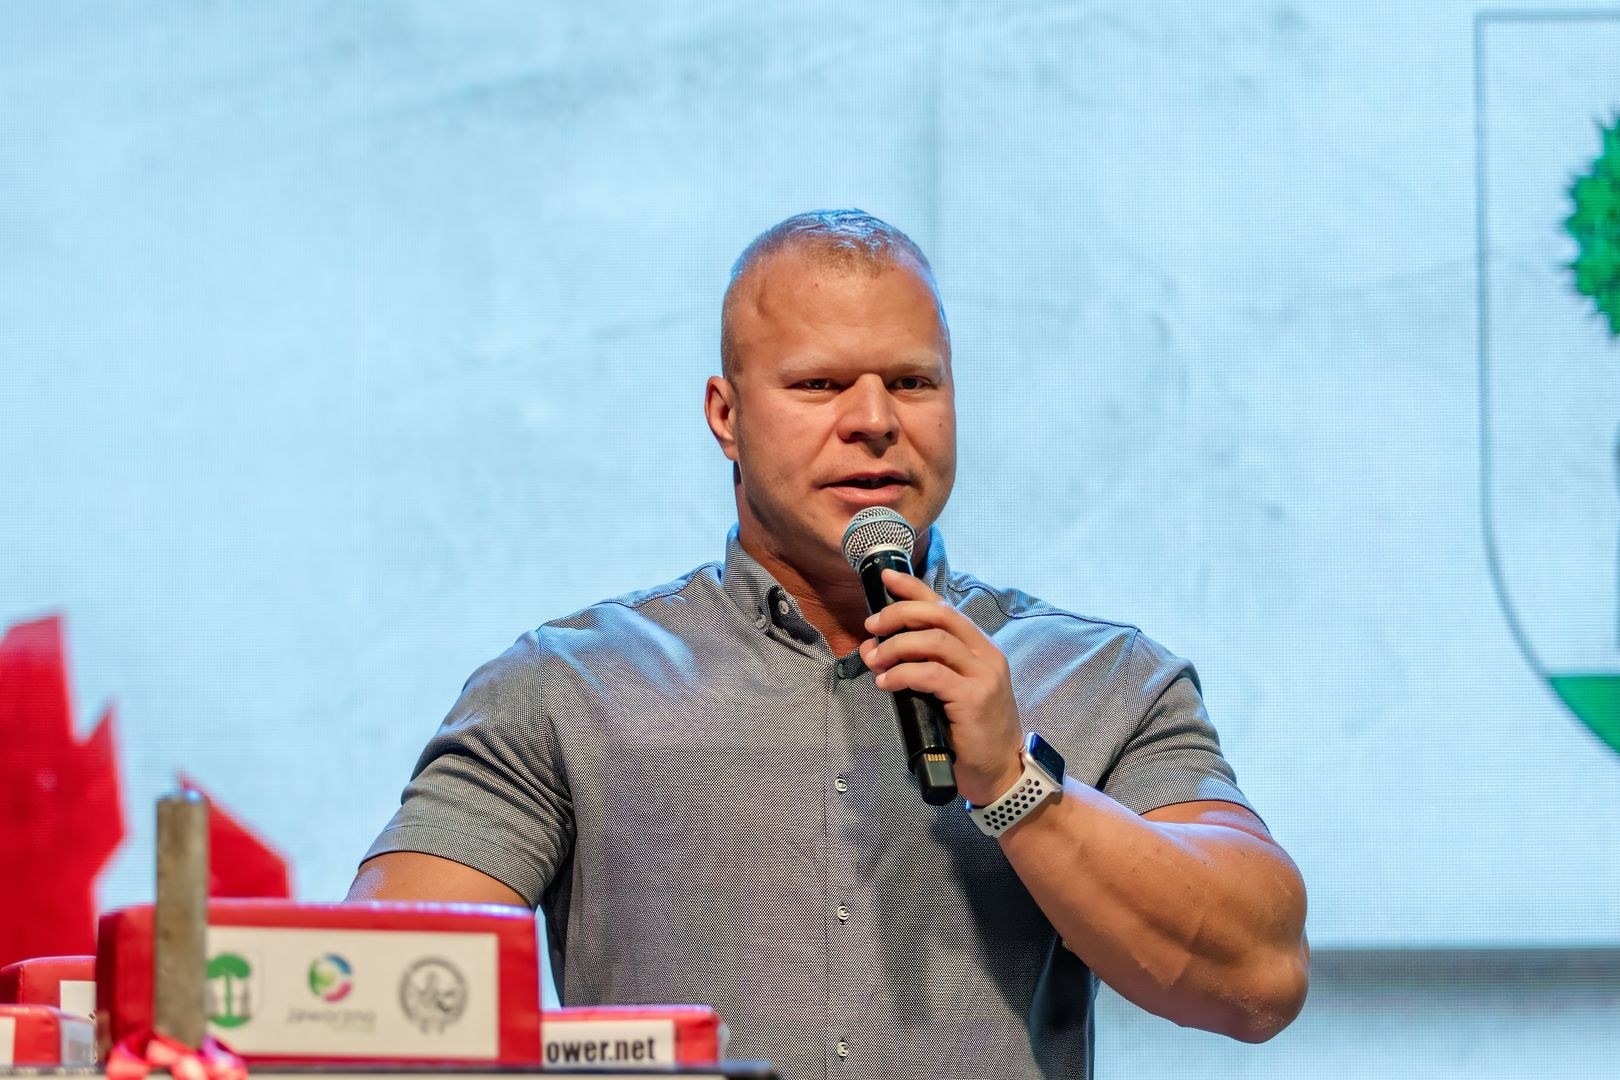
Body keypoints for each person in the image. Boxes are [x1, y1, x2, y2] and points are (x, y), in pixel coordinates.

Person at [350, 210, 1309, 1079]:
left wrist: (1019, 786)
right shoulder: (566, 689)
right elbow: (379, 1006)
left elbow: (1258, 977)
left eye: (911, 383)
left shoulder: (1105, 678)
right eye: (818, 384)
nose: (874, 420)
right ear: (725, 416)